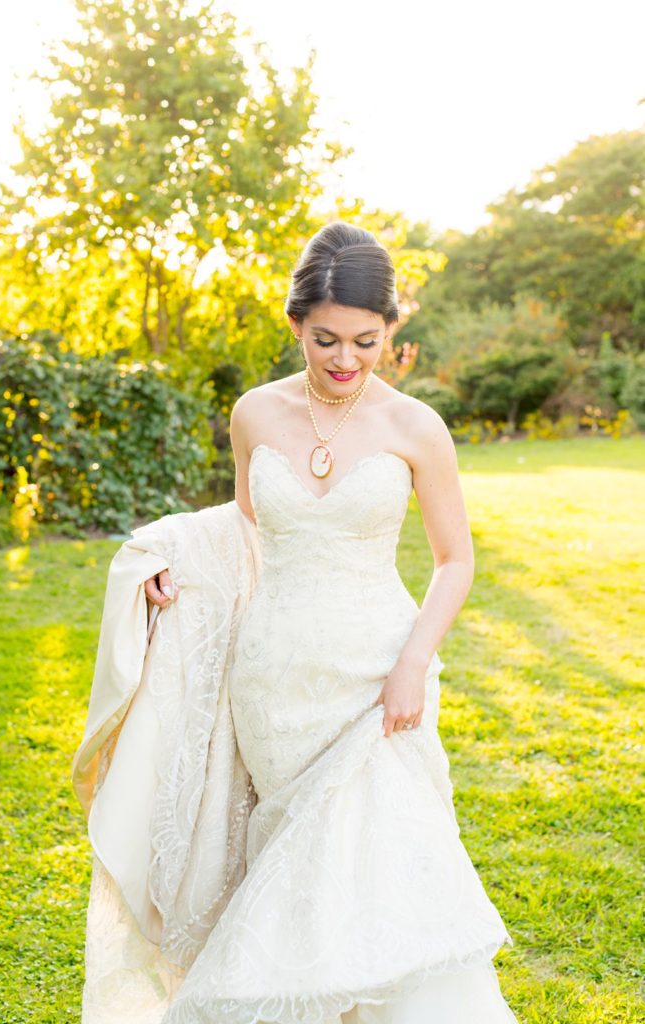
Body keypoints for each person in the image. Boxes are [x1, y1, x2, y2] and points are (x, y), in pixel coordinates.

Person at [72, 222, 520, 1023]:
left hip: (378, 677)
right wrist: (167, 556)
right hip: (273, 683)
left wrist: (414, 660)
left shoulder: (416, 428)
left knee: (380, 862)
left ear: (391, 332)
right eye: (325, 341)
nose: (345, 361)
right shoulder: (255, 414)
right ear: (295, 325)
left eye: (365, 342)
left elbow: (456, 560)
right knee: (293, 872)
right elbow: (246, 528)